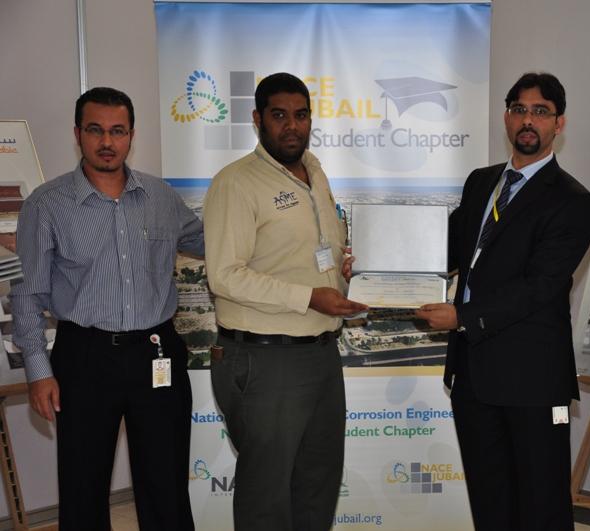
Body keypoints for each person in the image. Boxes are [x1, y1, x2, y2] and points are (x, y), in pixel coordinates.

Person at [11, 87, 203, 531]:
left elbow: (213, 242)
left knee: (166, 485)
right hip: (85, 357)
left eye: (118, 131)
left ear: (131, 135)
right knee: (83, 487)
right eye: (95, 130)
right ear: (77, 133)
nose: (107, 142)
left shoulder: (160, 197)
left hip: (156, 352)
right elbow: (26, 293)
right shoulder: (47, 204)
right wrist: (39, 370)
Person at [415, 72, 590, 530]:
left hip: (531, 379)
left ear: (559, 123)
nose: (528, 120)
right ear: (506, 117)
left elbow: (541, 286)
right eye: (519, 109)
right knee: (489, 502)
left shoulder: (573, 200)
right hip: (473, 374)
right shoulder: (481, 182)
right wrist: (375, 262)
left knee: (541, 506)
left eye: (540, 111)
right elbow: (446, 250)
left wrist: (462, 316)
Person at [203, 72, 367, 530]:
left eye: (300, 115)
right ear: (257, 120)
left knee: (318, 486)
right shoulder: (236, 183)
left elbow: (310, 255)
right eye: (279, 115)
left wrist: (343, 274)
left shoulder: (316, 172)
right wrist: (310, 297)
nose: (292, 126)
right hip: (264, 358)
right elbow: (224, 275)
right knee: (267, 498)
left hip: (321, 354)